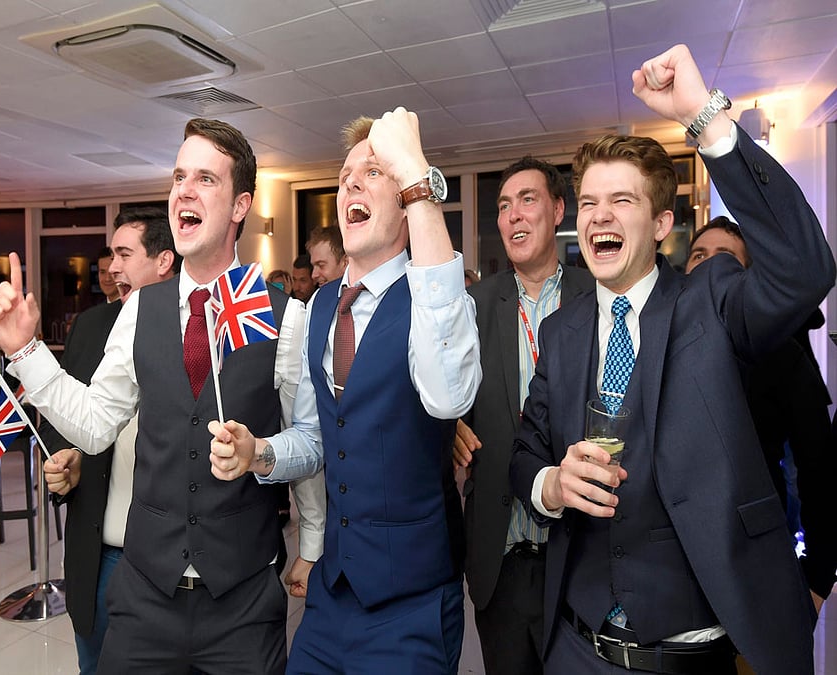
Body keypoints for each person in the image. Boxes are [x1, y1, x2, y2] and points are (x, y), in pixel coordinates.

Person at [509, 44, 834, 674]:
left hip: (692, 654)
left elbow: (804, 269)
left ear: (661, 224)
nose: (600, 214)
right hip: (577, 648)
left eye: (621, 201)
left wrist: (705, 119)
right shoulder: (563, 330)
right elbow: (526, 450)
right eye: (590, 203)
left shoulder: (709, 303)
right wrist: (550, 484)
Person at [0, 117, 323, 674]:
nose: (184, 191)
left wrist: (269, 472)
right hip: (145, 596)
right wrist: (26, 351)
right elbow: (96, 424)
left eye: (206, 180)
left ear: (241, 206)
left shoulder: (286, 317)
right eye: (177, 177)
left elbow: (309, 444)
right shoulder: (140, 309)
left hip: (242, 600)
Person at [208, 107, 481, 674]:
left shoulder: (439, 303)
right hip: (333, 592)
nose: (351, 181)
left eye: (374, 172)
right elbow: (317, 434)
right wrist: (258, 452)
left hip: (413, 599)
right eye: (344, 175)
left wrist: (416, 177)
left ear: (406, 199)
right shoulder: (319, 309)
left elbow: (448, 397)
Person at [454, 156, 593, 674]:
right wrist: (449, 429)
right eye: (503, 206)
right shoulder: (475, 305)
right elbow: (447, 396)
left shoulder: (595, 298)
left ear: (558, 210)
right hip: (502, 552)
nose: (513, 215)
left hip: (581, 554)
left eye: (527, 200)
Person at [40, 207, 179, 675]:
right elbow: (68, 413)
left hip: (170, 555)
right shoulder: (90, 325)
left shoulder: (194, 327)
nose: (111, 267)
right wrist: (67, 457)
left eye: (123, 253)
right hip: (102, 549)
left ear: (164, 261)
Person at [685, 216, 837, 615]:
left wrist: (818, 580)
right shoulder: (652, 345)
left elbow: (819, 470)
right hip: (669, 581)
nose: (709, 265)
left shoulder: (780, 355)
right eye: (699, 255)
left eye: (725, 257)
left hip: (751, 574)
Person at [306, 223, 347, 288]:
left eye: (321, 265)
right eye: (313, 267)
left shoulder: (365, 296)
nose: (313, 275)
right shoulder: (317, 296)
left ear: (345, 262)